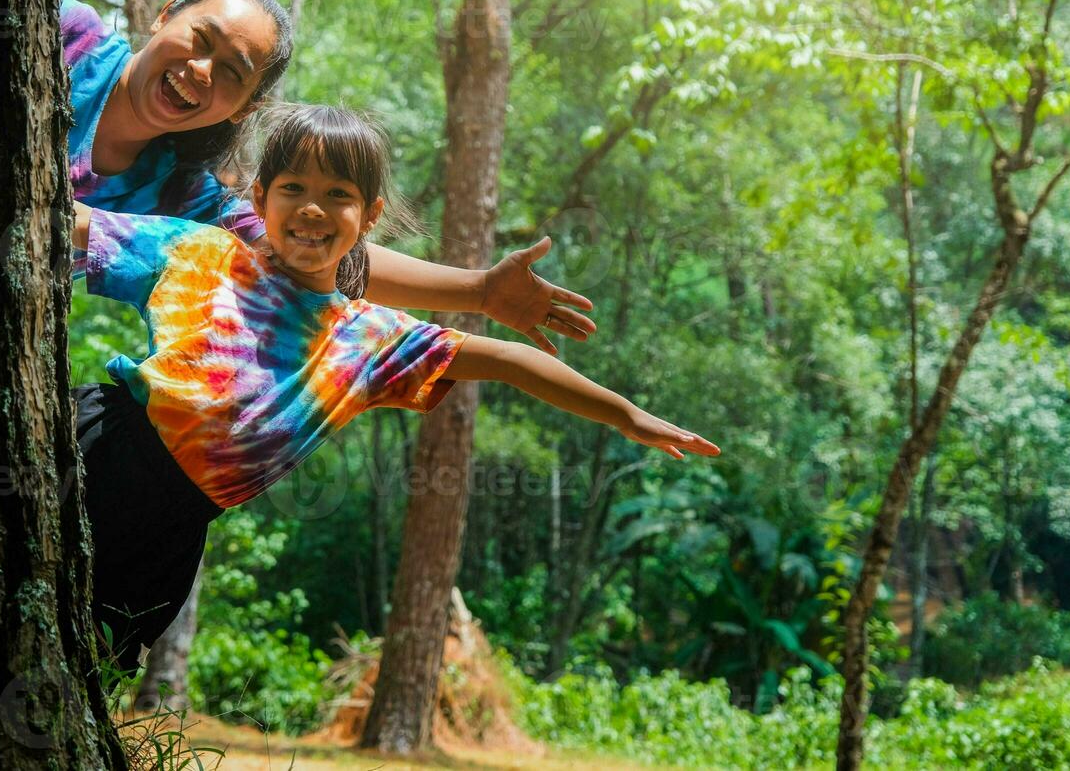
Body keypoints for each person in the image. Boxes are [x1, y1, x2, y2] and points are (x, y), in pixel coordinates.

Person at [69, 105, 720, 665]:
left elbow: (513, 362)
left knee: (79, 660)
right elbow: (72, 224)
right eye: (293, 187)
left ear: (369, 214)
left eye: (339, 195)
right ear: (261, 198)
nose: (313, 209)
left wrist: (625, 414)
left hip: (175, 527)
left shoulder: (370, 341)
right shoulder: (201, 253)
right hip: (96, 450)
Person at [61, 0, 596, 354]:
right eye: (201, 40)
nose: (199, 71)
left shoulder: (183, 195)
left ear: (245, 107)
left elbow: (321, 245)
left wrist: (479, 290)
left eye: (231, 72)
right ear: (165, 13)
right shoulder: (67, 36)